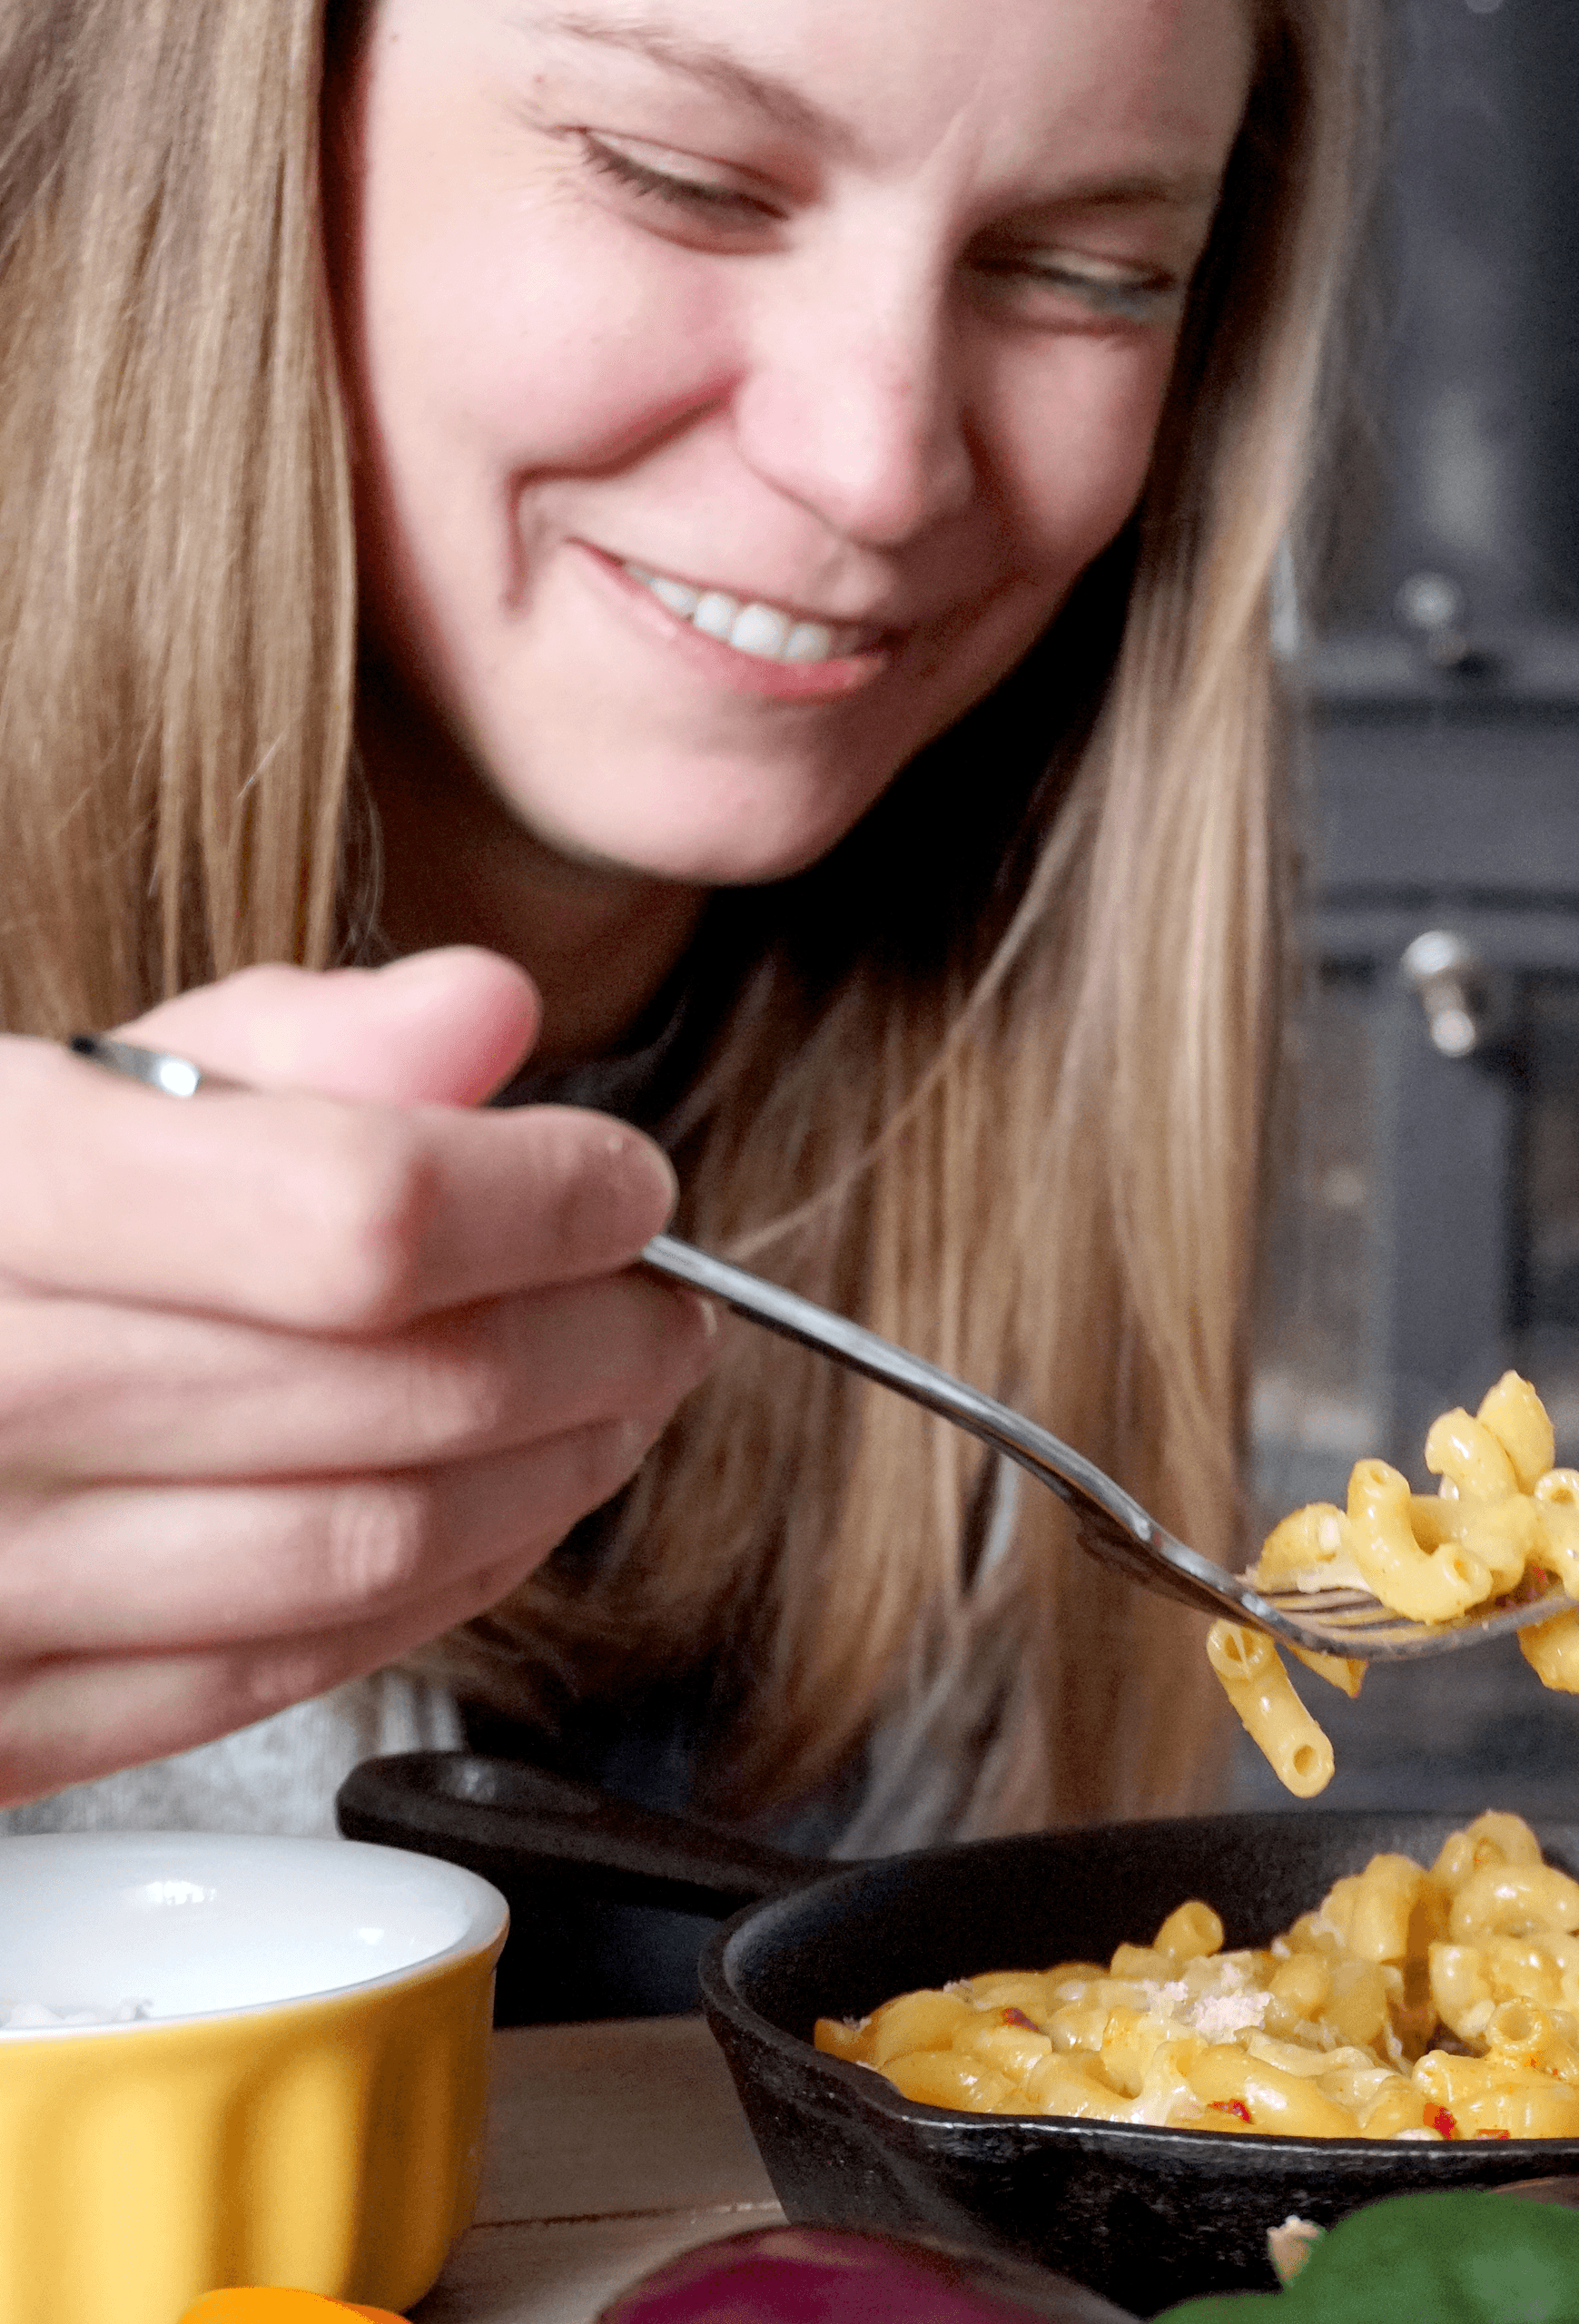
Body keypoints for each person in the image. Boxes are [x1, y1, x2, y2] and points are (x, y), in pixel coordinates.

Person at [0, 0, 1375, 1928]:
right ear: (256, 129)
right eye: (686, 183)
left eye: (1086, 275)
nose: (878, 466)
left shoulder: (1013, 1080)